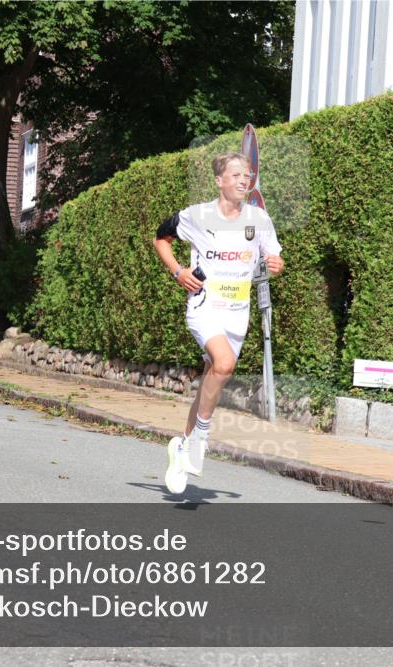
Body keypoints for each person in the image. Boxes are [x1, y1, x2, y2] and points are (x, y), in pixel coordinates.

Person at [153, 151, 284, 494]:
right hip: (205, 305)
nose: (244, 180)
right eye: (237, 175)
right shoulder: (197, 215)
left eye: (248, 175)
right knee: (223, 365)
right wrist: (179, 271)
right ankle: (201, 438)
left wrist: (275, 263)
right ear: (219, 181)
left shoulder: (259, 218)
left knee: (213, 378)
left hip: (237, 312)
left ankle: (182, 446)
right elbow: (160, 238)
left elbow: (275, 256)